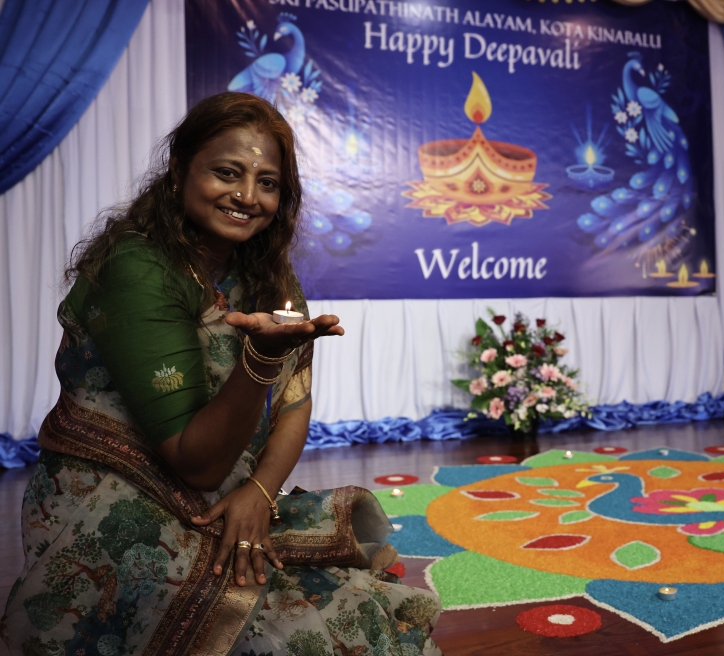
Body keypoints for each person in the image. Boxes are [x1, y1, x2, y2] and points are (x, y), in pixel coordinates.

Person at [1, 93, 442, 655]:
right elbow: (197, 461)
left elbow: (297, 404)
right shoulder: (137, 269)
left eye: (268, 183)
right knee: (294, 635)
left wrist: (258, 492)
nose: (246, 197)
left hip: (226, 495)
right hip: (112, 503)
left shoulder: (263, 272)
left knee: (357, 618)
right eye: (227, 173)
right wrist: (258, 361)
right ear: (181, 168)